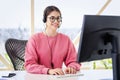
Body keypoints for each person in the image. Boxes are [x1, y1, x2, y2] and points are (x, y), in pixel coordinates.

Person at [24, 5, 81, 75]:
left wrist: (72, 67)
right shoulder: (34, 39)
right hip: (39, 77)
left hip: (57, 77)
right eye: (52, 18)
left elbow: (74, 61)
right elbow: (29, 65)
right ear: (45, 19)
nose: (56, 21)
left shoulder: (66, 40)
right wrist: (48, 71)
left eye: (58, 18)